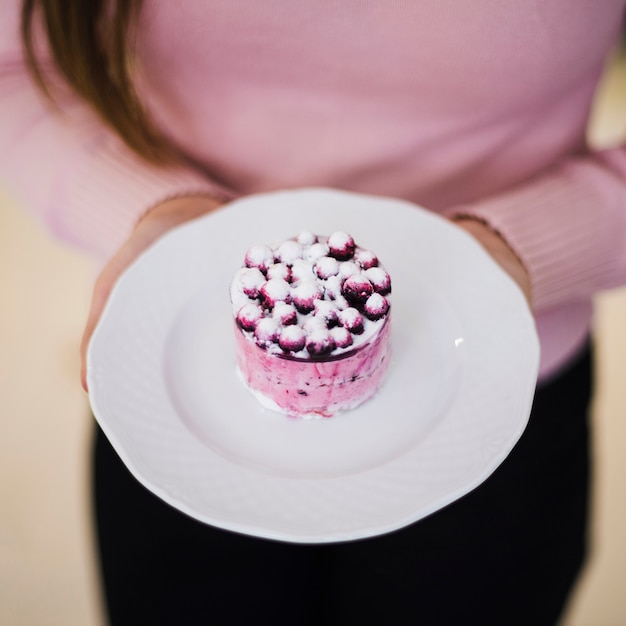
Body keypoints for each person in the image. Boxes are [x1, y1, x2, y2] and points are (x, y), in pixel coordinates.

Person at [1, 1, 625, 624]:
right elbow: (13, 69)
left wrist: (527, 243)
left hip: (501, 391)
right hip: (185, 404)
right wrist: (150, 211)